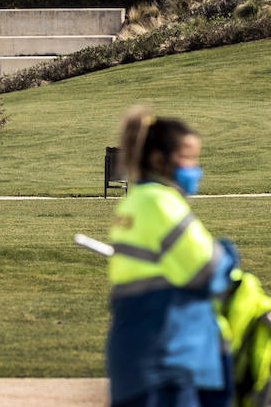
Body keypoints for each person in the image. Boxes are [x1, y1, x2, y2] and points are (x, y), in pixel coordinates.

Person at [106, 110, 236, 407]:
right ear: (158, 159)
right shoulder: (161, 202)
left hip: (134, 353)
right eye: (187, 159)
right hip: (164, 360)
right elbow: (207, 268)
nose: (195, 169)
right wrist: (229, 257)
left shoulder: (134, 202)